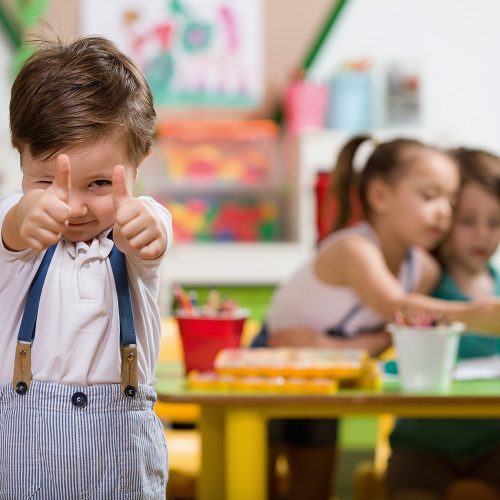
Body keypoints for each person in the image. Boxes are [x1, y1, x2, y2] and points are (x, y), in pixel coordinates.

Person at [254, 135, 500, 500]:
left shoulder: (424, 270)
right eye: (430, 197)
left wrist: (329, 347)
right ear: (380, 196)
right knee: (258, 485)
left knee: (312, 489)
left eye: (450, 201)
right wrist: (475, 314)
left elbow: (394, 333)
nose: (444, 212)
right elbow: (396, 309)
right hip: (268, 367)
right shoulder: (354, 249)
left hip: (327, 375)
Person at [0, 36, 173, 498]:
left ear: (138, 164)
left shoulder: (138, 223)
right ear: (20, 157)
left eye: (99, 183)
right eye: (49, 182)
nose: (73, 207)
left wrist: (143, 230)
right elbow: (12, 228)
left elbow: (153, 235)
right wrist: (26, 214)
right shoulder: (18, 228)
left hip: (122, 469)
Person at [387, 148, 500, 500]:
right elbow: (391, 347)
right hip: (422, 444)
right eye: (468, 221)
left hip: (493, 442)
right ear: (444, 217)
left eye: (495, 222)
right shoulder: (423, 286)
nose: (482, 234)